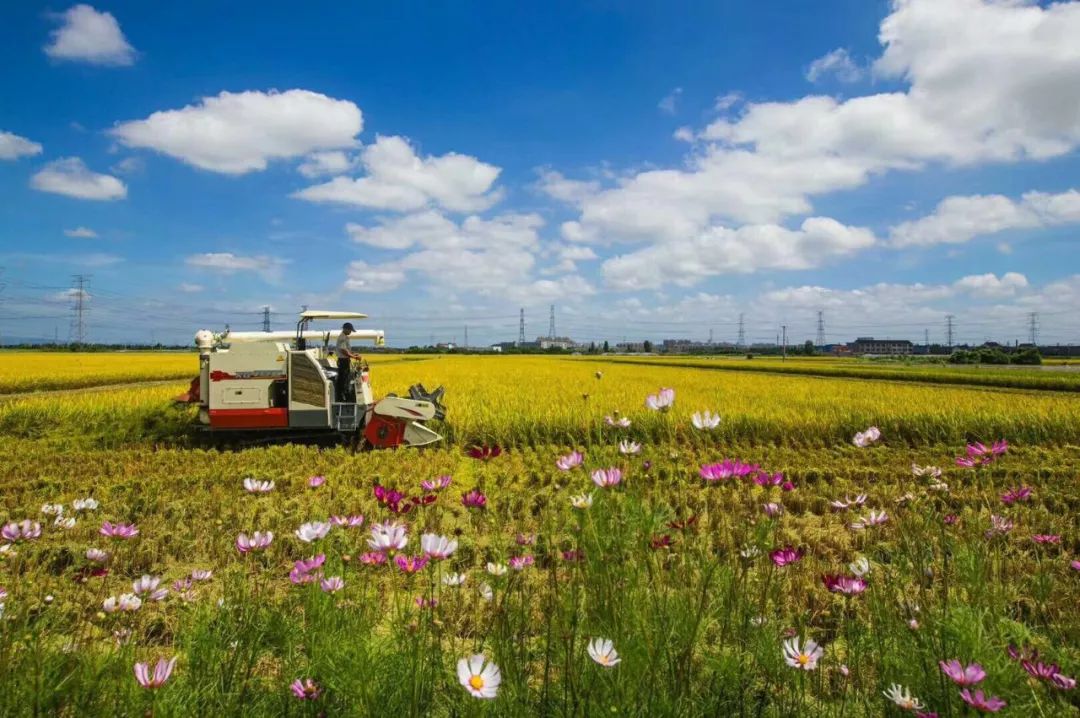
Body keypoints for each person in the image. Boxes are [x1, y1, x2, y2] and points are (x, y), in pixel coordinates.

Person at [335, 323, 363, 401]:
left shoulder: (345, 337)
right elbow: (343, 350)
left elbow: (347, 350)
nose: (350, 332)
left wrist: (353, 354)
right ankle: (342, 397)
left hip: (344, 360)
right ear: (345, 329)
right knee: (343, 379)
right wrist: (354, 357)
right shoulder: (342, 338)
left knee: (346, 378)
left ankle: (344, 395)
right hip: (343, 361)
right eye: (350, 330)